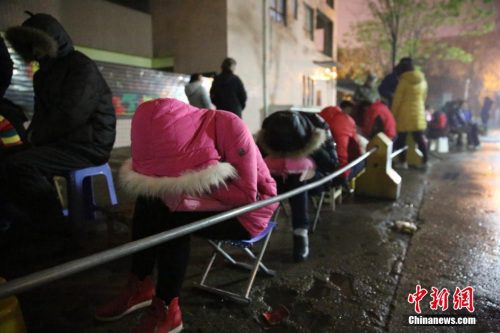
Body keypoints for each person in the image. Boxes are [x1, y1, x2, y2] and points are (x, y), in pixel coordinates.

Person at [96, 98, 278, 332]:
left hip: (247, 214)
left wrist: (187, 188)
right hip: (210, 202)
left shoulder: (229, 126)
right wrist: (171, 187)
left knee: (173, 216)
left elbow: (246, 194)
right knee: (148, 198)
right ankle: (140, 284)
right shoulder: (168, 134)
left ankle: (168, 310)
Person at [2, 13, 116, 233]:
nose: (32, 51)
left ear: (49, 41)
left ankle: (54, 233)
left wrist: (35, 137)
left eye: (34, 43)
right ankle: (25, 221)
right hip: (63, 141)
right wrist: (29, 139)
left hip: (89, 145)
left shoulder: (79, 65)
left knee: (21, 165)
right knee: (7, 159)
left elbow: (72, 114)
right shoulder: (42, 74)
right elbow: (42, 115)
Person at [257, 111, 338, 262]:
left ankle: (300, 233)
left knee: (297, 181)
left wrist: (313, 148)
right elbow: (256, 161)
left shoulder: (318, 127)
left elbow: (331, 164)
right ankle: (298, 232)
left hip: (314, 179)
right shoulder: (269, 130)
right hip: (279, 179)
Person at [391, 58, 428, 168]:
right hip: (419, 114)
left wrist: (393, 114)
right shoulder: (423, 81)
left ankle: (403, 162)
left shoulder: (403, 81)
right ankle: (425, 161)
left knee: (401, 139)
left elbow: (397, 100)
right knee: (419, 138)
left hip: (404, 115)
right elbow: (424, 98)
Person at [319, 101, 363, 184]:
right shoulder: (348, 121)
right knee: (362, 160)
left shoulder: (320, 115)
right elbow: (356, 151)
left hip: (318, 172)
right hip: (338, 174)